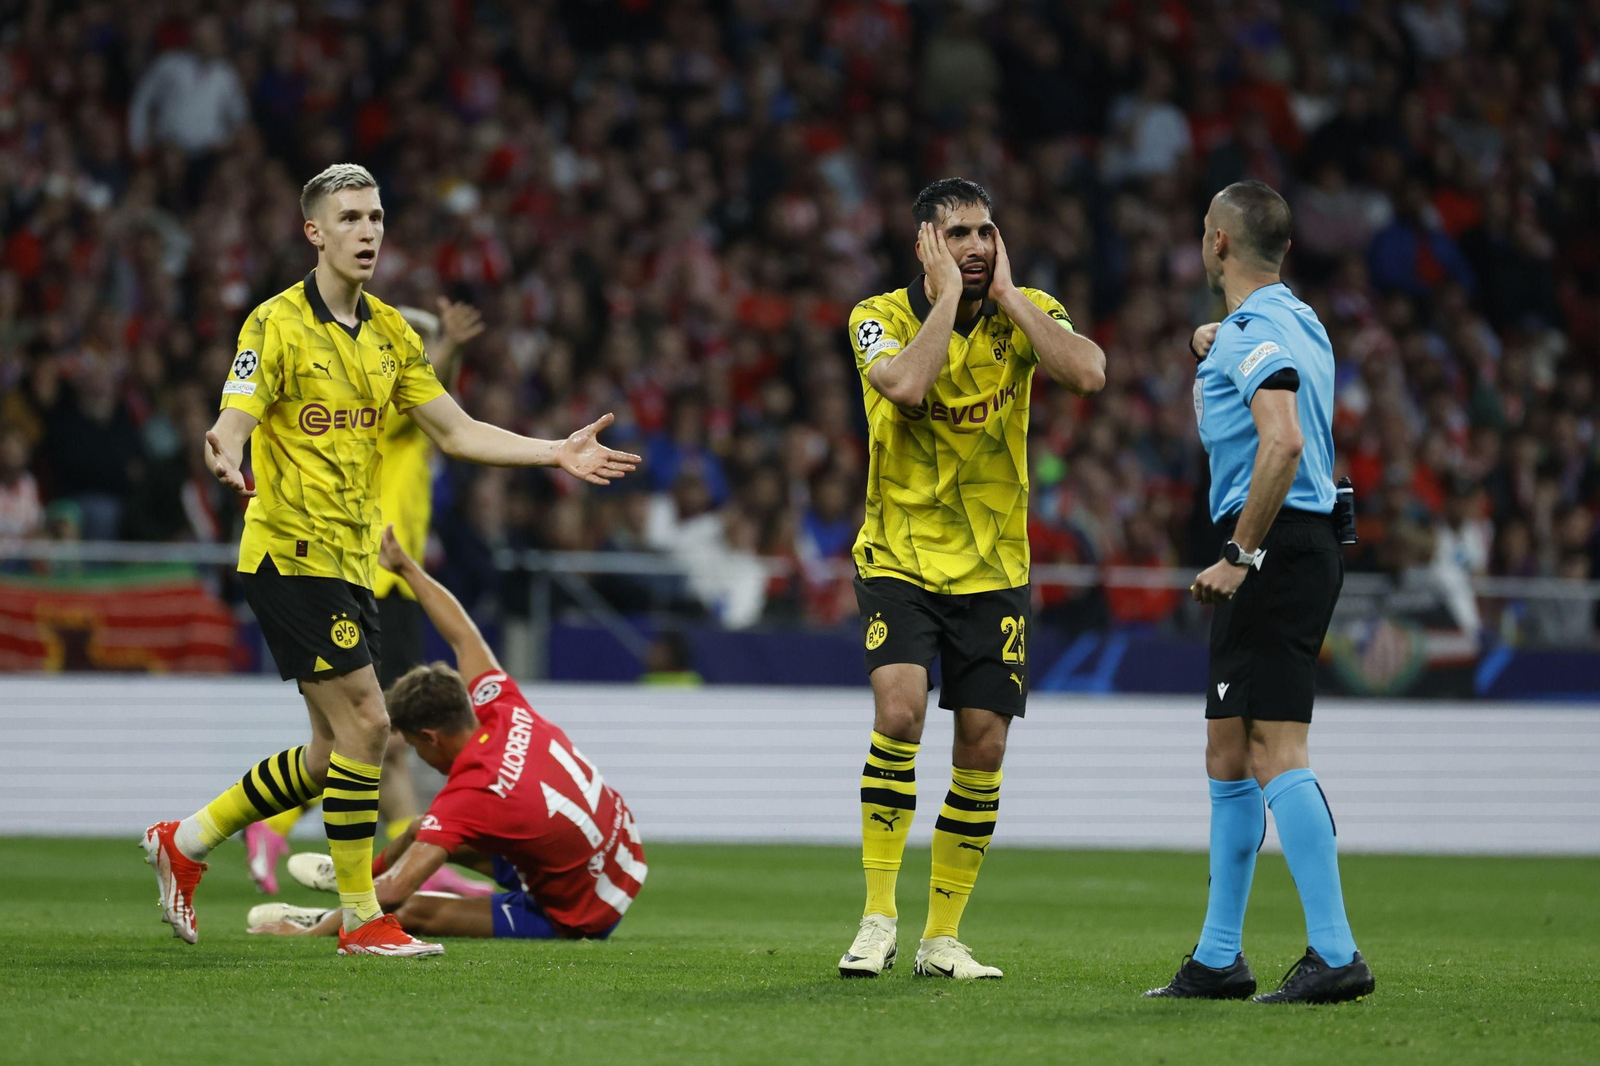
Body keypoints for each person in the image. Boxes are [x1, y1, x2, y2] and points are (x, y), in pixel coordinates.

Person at [141, 163, 640, 958]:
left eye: (375, 216)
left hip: (351, 562)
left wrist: (556, 452)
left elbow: (457, 429)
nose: (368, 231)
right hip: (288, 553)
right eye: (349, 218)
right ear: (315, 232)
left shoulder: (393, 335)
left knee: (328, 753)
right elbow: (236, 409)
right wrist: (226, 445)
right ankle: (364, 919)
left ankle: (186, 841)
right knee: (373, 724)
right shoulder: (272, 324)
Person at [838, 177, 1105, 979]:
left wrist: (1014, 298)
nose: (977, 247)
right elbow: (907, 387)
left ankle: (940, 937)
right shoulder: (876, 318)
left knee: (983, 747)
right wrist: (950, 299)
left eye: (986, 232)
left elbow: (1089, 374)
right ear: (925, 244)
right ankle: (878, 917)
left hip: (993, 568)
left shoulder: (1027, 314)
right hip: (900, 555)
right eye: (958, 234)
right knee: (901, 709)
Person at [1146, 180, 1375, 1004]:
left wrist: (1241, 552)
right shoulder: (1299, 321)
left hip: (1274, 547)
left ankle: (1336, 952)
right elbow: (1266, 362)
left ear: (1217, 244)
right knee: (1228, 749)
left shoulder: (1253, 332)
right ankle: (1218, 958)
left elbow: (1281, 441)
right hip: (1301, 543)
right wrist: (1220, 336)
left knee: (1277, 750)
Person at [245, 524, 646, 942]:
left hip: (584, 909)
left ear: (430, 737)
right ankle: (360, 878)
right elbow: (462, 632)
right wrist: (406, 567)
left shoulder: (470, 792)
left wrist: (309, 937)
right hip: (621, 855)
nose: (419, 757)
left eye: (416, 746)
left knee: (413, 910)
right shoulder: (504, 707)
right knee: (424, 829)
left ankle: (322, 920)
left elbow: (400, 894)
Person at [242, 298, 489, 898]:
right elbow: (433, 394)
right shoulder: (392, 411)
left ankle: (405, 860)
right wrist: (451, 348)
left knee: (387, 741)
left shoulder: (409, 420)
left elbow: (440, 396)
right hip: (371, 579)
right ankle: (273, 827)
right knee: (372, 736)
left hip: (386, 580)